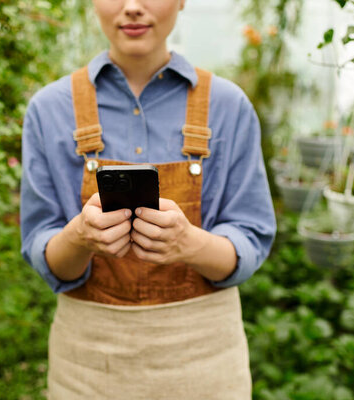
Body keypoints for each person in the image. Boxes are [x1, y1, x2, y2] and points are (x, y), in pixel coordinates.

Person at [20, 0, 276, 398]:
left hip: (204, 359)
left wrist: (190, 244)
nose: (133, 8)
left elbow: (251, 238)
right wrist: (79, 237)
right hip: (88, 363)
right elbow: (47, 255)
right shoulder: (50, 109)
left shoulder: (229, 107)